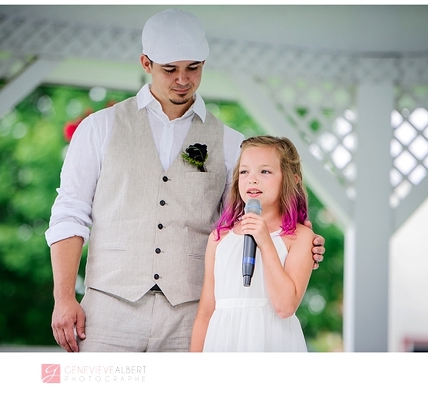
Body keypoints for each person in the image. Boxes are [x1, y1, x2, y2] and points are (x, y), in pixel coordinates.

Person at [46, 9, 325, 352]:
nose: (183, 79)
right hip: (106, 312)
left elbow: (247, 218)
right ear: (146, 63)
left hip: (190, 316)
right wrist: (63, 297)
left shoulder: (231, 143)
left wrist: (300, 239)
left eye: (193, 67)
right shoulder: (98, 128)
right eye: (170, 69)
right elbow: (70, 213)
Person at [190, 136, 313, 352]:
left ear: (291, 179)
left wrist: (265, 242)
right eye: (245, 172)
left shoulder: (300, 237)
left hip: (273, 344)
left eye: (265, 171)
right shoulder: (219, 239)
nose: (252, 179)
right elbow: (206, 312)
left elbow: (285, 307)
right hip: (224, 343)